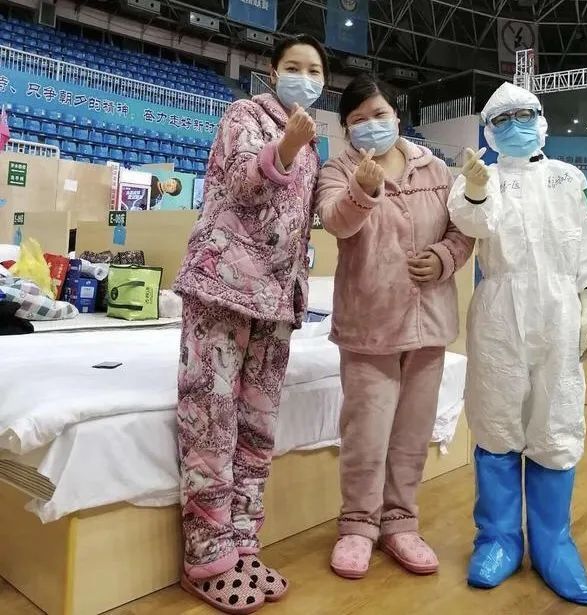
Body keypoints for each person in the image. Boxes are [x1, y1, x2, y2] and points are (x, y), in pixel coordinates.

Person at [172, 34, 328, 614]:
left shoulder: (312, 145)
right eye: (294, 66)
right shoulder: (245, 115)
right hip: (224, 287)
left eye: (315, 70)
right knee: (210, 418)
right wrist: (285, 146)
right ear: (271, 71)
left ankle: (241, 542)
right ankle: (206, 555)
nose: (304, 78)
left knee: (258, 428)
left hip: (277, 302)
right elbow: (241, 183)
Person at [315, 73, 474, 580]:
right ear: (346, 129)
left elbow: (462, 229)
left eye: (379, 114)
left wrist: (445, 258)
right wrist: (363, 190)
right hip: (370, 324)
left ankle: (401, 522)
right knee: (366, 433)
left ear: (397, 117)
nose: (371, 125)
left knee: (412, 433)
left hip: (429, 322)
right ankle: (358, 526)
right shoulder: (338, 169)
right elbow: (336, 222)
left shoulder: (435, 168)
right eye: (359, 119)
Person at [448, 82, 587, 606]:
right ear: (490, 130)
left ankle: (554, 545)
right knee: (496, 423)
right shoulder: (483, 177)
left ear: (541, 118)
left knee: (555, 423)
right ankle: (498, 541)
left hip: (559, 311)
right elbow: (473, 220)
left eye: (525, 114)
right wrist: (474, 187)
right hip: (500, 312)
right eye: (503, 118)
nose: (516, 125)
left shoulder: (569, 178)